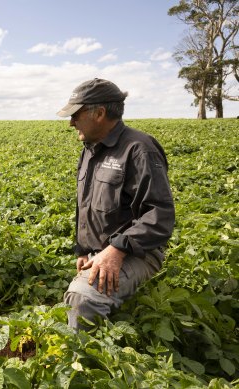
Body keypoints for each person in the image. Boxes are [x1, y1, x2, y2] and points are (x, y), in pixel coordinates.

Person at [57, 78, 175, 330]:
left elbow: (160, 215)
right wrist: (83, 249)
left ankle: (83, 364)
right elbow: (87, 206)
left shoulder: (139, 149)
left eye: (76, 114)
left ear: (99, 113)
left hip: (137, 252)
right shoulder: (91, 148)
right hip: (102, 250)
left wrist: (115, 250)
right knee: (73, 296)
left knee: (82, 299)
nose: (70, 122)